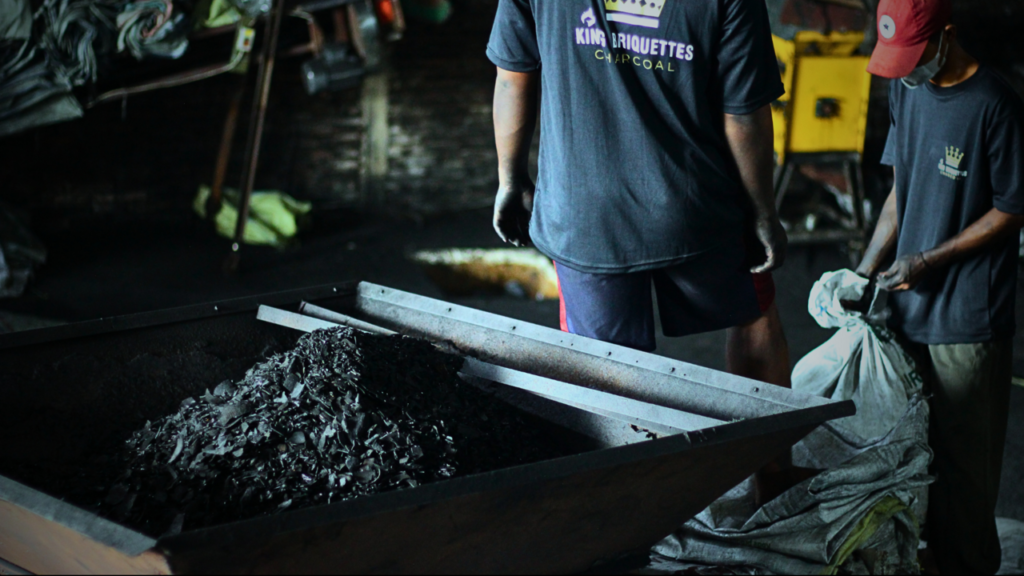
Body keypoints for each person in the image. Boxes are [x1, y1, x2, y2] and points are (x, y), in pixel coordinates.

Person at [486, 0, 803, 500]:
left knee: (601, 361)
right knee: (756, 320)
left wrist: (509, 178)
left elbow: (513, 77)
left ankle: (620, 501)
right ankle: (774, 481)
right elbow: (743, 112)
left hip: (583, 211)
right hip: (697, 207)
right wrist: (763, 210)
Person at [857, 0, 1024, 572]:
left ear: (946, 36)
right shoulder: (906, 86)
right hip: (908, 310)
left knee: (964, 473)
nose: (905, 69)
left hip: (967, 319)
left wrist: (928, 259)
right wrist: (863, 269)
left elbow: (1011, 210)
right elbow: (901, 186)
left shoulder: (996, 105)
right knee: (910, 454)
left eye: (914, 54)